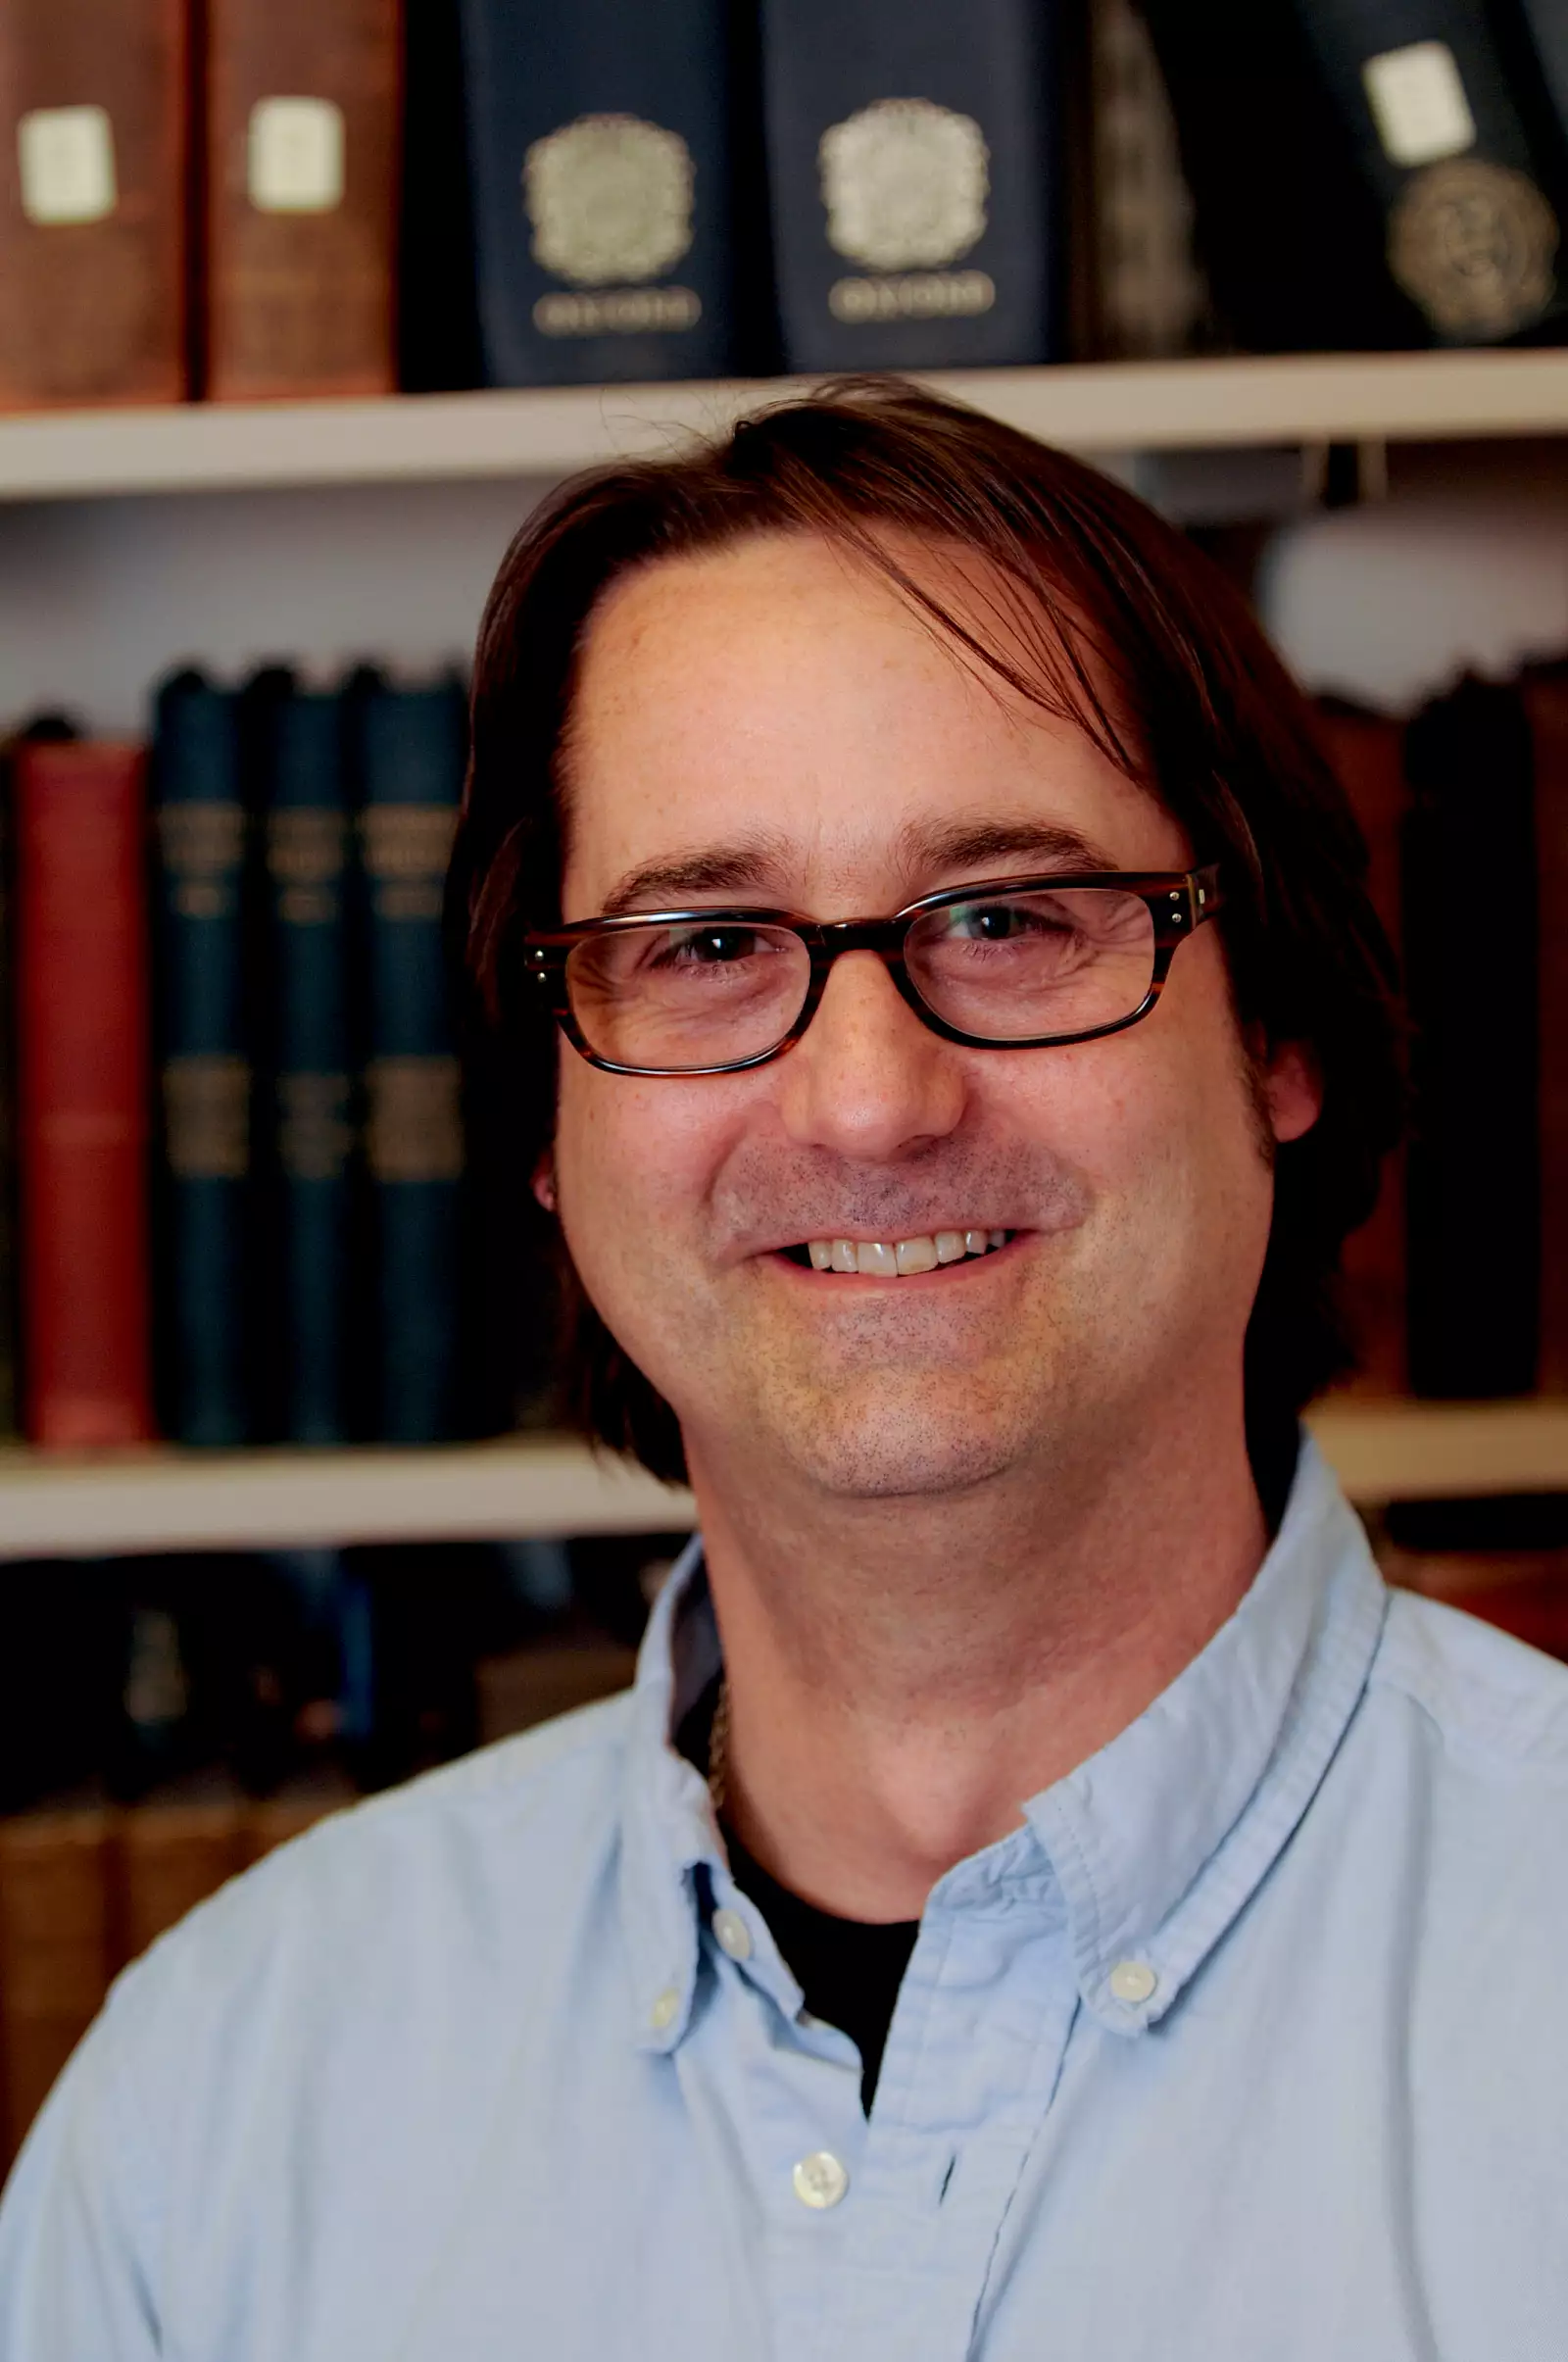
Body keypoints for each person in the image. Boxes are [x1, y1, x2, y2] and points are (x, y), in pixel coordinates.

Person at [1, 379, 1563, 2360]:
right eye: (706, 941)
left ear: (1277, 1033)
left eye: (1006, 914)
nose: (867, 1096)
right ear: (554, 1130)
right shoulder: (222, 2097)